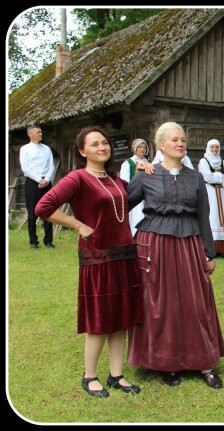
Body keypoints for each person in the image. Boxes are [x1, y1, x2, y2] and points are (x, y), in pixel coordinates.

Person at [35, 125, 143, 398]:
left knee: (122, 317)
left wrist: (146, 173)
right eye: (94, 144)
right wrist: (77, 225)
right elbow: (43, 208)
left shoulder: (116, 179)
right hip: (97, 257)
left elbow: (126, 205)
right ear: (82, 151)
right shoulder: (77, 179)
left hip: (124, 254)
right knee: (100, 319)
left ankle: (116, 375)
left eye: (104, 142)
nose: (102, 147)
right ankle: (90, 375)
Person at [126, 122, 224, 388]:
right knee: (161, 303)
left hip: (189, 243)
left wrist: (210, 252)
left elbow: (203, 216)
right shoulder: (147, 174)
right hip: (154, 242)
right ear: (160, 145)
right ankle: (166, 363)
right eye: (174, 140)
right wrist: (135, 173)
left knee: (196, 301)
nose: (180, 144)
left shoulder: (195, 177)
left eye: (183, 139)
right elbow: (120, 203)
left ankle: (204, 362)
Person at [19, 124, 55, 249]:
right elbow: (26, 168)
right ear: (30, 134)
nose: (41, 134)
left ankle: (48, 241)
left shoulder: (46, 149)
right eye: (38, 132)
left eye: (41, 132)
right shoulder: (25, 149)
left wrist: (46, 180)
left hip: (46, 182)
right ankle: (33, 241)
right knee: (32, 212)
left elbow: (52, 166)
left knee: (48, 211)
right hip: (32, 183)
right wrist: (39, 179)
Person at [199, 138, 224, 255]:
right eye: (212, 147)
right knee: (212, 217)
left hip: (223, 194)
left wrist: (221, 180)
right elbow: (206, 177)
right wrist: (220, 176)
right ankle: (210, 248)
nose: (215, 149)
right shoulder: (204, 161)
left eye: (217, 147)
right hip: (210, 193)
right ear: (208, 148)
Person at [119, 138, 148, 236]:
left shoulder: (148, 163)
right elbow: (125, 182)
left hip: (147, 195)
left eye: (144, 147)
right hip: (135, 195)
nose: (142, 149)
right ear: (135, 149)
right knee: (136, 217)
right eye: (140, 147)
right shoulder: (128, 163)